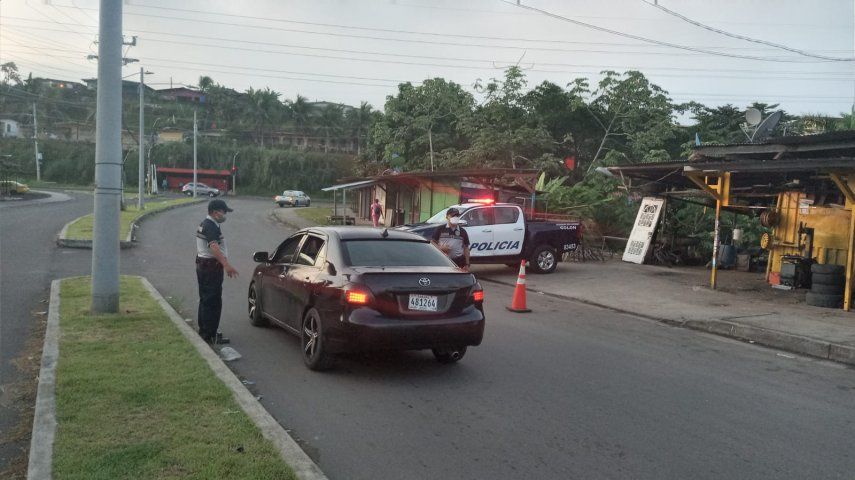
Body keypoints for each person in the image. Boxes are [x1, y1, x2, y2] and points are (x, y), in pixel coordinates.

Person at [195, 199, 239, 345]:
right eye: (223, 212)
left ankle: (205, 331)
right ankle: (209, 335)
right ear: (215, 212)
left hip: (205, 266)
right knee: (212, 301)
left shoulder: (207, 224)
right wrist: (226, 265)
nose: (225, 215)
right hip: (210, 267)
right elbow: (213, 246)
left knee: (206, 300)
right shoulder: (210, 226)